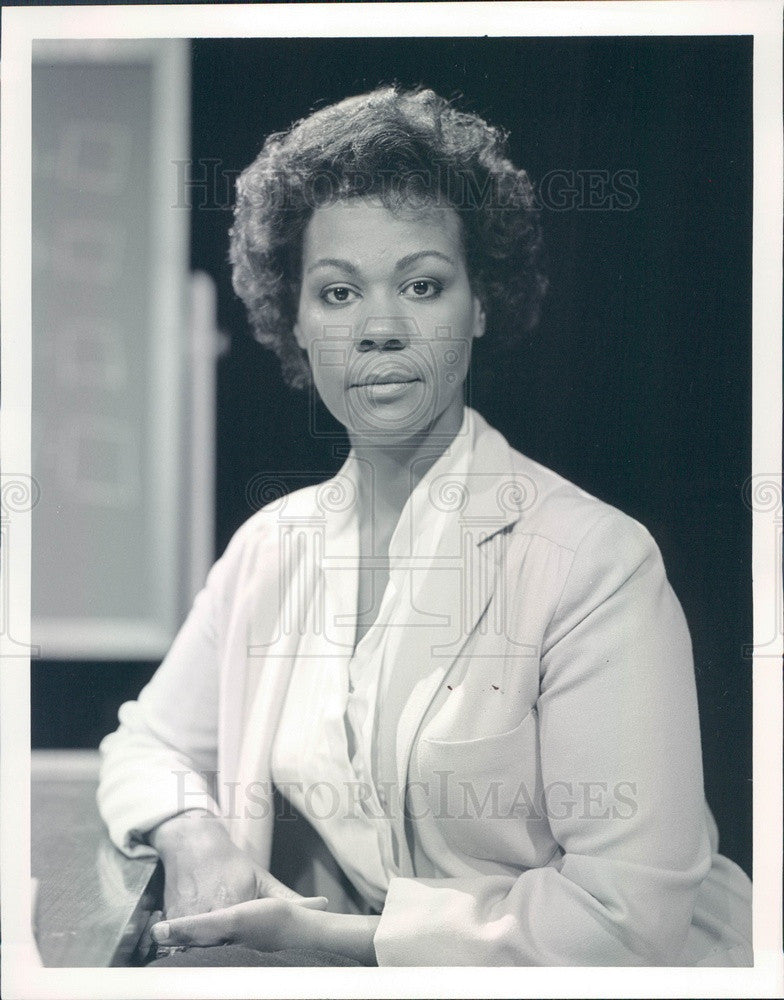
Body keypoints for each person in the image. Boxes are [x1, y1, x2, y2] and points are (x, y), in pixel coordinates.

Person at [97, 85, 752, 967]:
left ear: (479, 304)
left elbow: (624, 921)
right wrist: (191, 830)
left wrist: (335, 939)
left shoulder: (595, 561)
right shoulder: (272, 547)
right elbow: (148, 741)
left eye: (422, 284)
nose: (380, 328)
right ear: (291, 321)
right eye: (337, 293)